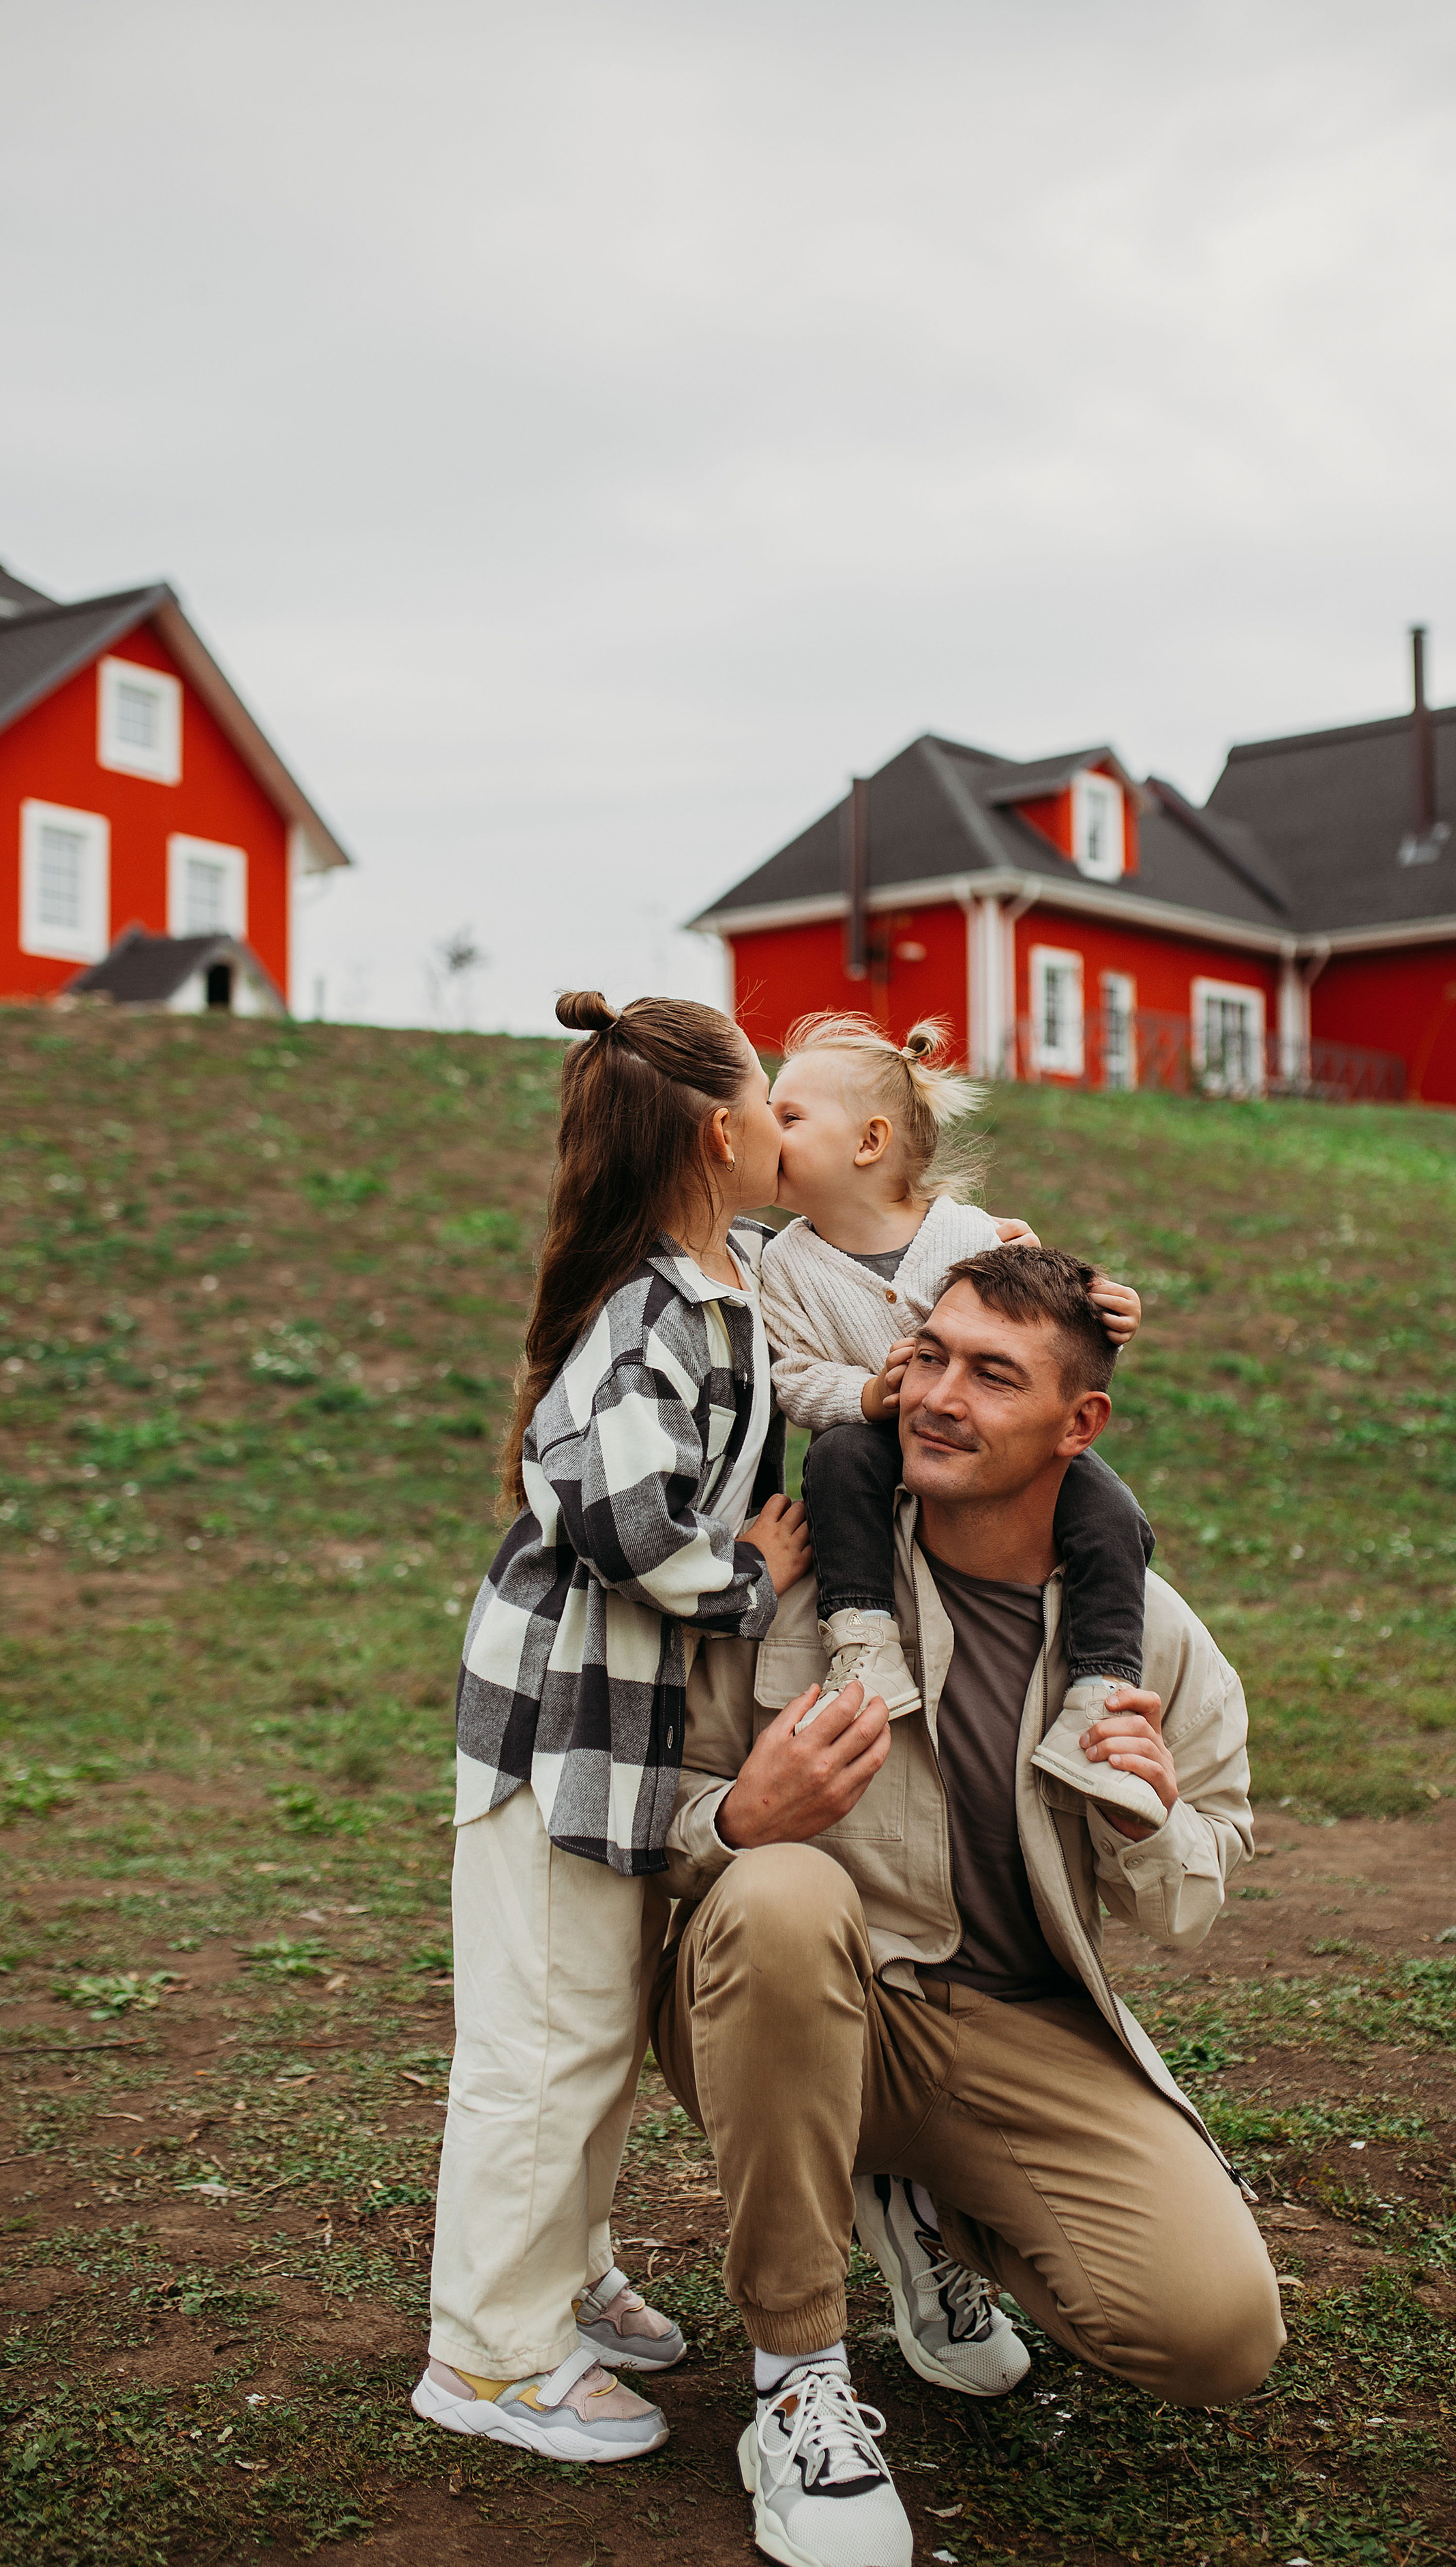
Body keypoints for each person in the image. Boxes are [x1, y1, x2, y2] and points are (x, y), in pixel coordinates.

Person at [655, 1244, 1285, 2567]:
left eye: (991, 1376)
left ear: (1079, 1423)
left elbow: (1193, 1888)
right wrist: (735, 1821)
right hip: (801, 2002)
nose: (936, 1396)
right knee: (779, 1895)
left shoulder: (1150, 1639)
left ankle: (923, 2206)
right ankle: (796, 2382)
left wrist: (1146, 1821)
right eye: (929, 1355)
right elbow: (639, 1805)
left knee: (1215, 2333)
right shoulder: (803, 1580)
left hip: (1021, 2031)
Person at [411, 991, 812, 2464]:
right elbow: (614, 1509)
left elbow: (872, 1260)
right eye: (773, 1100)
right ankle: (490, 2353)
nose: (788, 1125)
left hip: (613, 1738)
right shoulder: (648, 1309)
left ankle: (562, 2275)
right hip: (553, 1737)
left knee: (588, 2029)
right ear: (721, 1132)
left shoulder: (726, 1273)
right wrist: (749, 1577)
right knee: (537, 2044)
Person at [761, 1012, 1163, 1828]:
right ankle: (864, 1645)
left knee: (1109, 1513)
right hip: (874, 1442)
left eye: (789, 1118)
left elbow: (1042, 1318)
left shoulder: (971, 1232)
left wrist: (1104, 1305)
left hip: (991, 1452)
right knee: (837, 1459)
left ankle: (1102, 1682)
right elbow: (788, 1378)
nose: (765, 1132)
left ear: (869, 1143)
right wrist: (865, 1398)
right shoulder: (783, 1261)